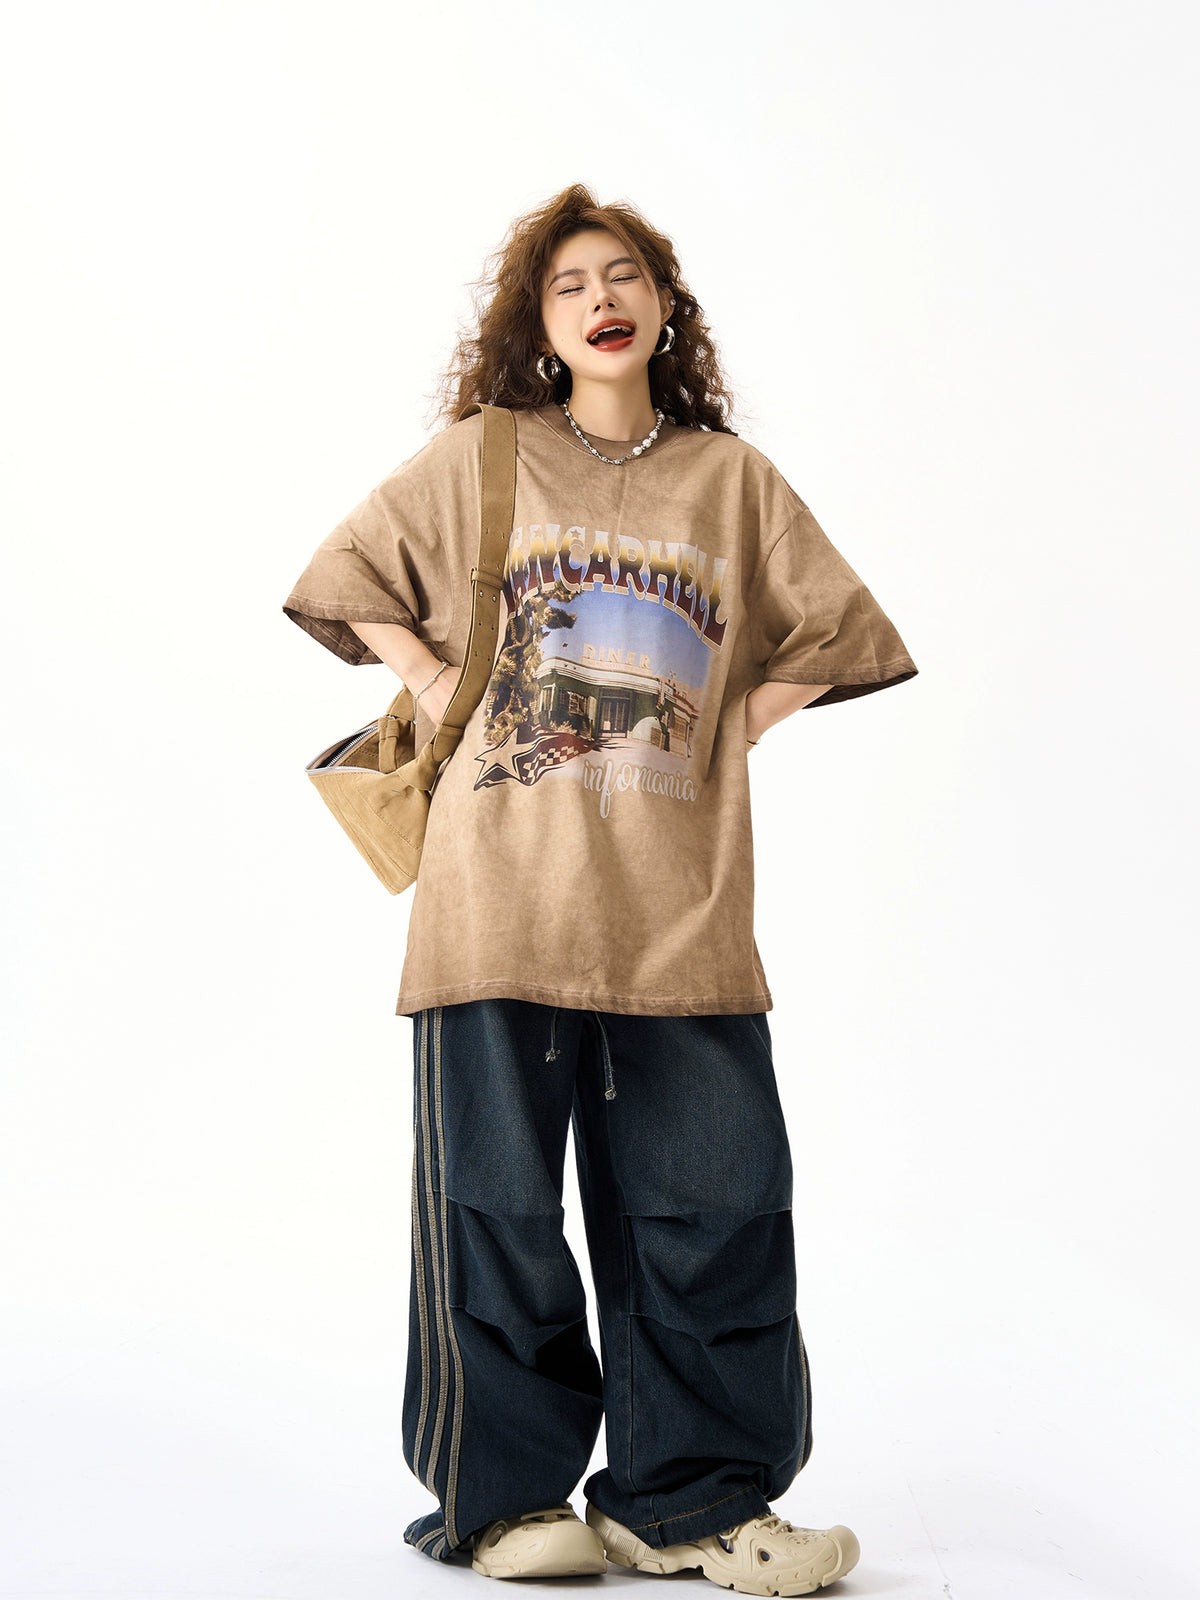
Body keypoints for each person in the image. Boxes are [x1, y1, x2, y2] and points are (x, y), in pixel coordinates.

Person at [282, 184, 918, 1595]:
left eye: (623, 276)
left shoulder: (729, 481)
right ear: (540, 323)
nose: (600, 300)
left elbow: (837, 627)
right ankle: (505, 1504)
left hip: (681, 909)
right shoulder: (485, 455)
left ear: (665, 307)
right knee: (495, 1210)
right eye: (568, 286)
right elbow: (344, 572)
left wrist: (741, 723)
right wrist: (434, 681)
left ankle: (688, 1502)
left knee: (716, 1207)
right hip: (498, 901)